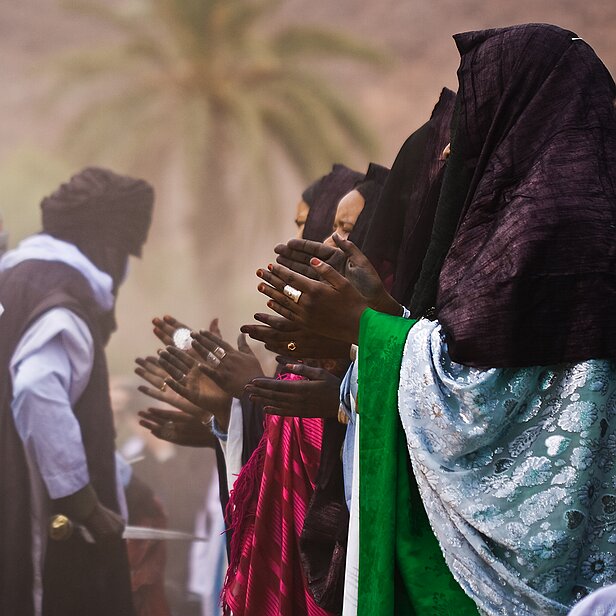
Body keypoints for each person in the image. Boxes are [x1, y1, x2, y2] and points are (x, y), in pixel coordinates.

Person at [253, 23, 616, 615]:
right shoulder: (511, 233)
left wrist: (368, 330)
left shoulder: (552, 235)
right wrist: (381, 319)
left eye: (477, 103)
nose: (455, 143)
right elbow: (473, 368)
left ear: (516, 113)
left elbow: (491, 410)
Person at [0, 167, 154, 616]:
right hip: (47, 546)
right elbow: (34, 390)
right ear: (105, 245)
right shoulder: (62, 303)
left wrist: (118, 474)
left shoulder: (13, 283)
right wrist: (84, 504)